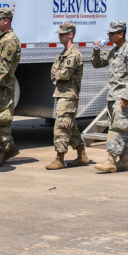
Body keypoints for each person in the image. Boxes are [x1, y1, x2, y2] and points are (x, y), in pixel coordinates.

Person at [92, 20, 128, 173]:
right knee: (120, 128)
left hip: (122, 97)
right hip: (113, 96)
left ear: (121, 34)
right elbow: (97, 64)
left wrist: (126, 97)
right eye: (109, 33)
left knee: (117, 129)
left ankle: (111, 160)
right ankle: (124, 161)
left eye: (112, 33)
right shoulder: (114, 51)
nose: (109, 35)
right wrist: (96, 51)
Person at [47, 22, 88, 170]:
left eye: (63, 33)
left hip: (69, 95)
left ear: (71, 34)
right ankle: (82, 154)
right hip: (62, 94)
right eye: (59, 33)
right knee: (69, 125)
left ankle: (60, 158)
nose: (60, 36)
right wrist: (58, 74)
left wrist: (58, 74)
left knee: (61, 126)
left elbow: (64, 74)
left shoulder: (74, 54)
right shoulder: (63, 54)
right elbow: (53, 71)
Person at [0, 7, 21, 168]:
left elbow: (3, 67)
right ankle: (10, 146)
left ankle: (2, 152)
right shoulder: (1, 38)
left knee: (1, 120)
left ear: (6, 20)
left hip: (3, 87)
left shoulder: (10, 40)